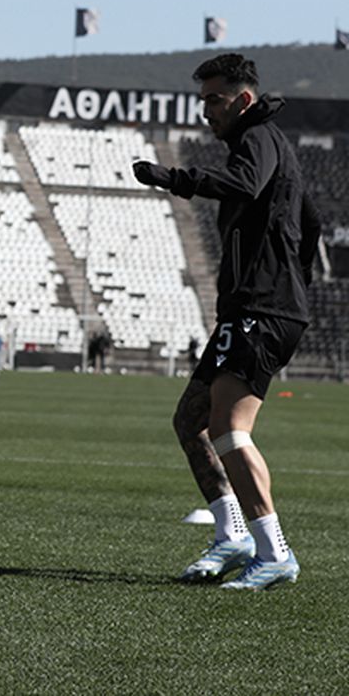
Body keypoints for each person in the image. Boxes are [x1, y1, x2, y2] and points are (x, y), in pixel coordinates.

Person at [133, 53, 320, 590]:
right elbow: (311, 221)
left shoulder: (258, 139)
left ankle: (274, 551)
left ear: (242, 99)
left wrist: (174, 178)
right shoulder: (266, 143)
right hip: (254, 306)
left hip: (263, 309)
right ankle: (232, 534)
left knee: (230, 431)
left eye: (213, 99)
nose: (205, 111)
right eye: (202, 100)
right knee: (190, 422)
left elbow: (242, 185)